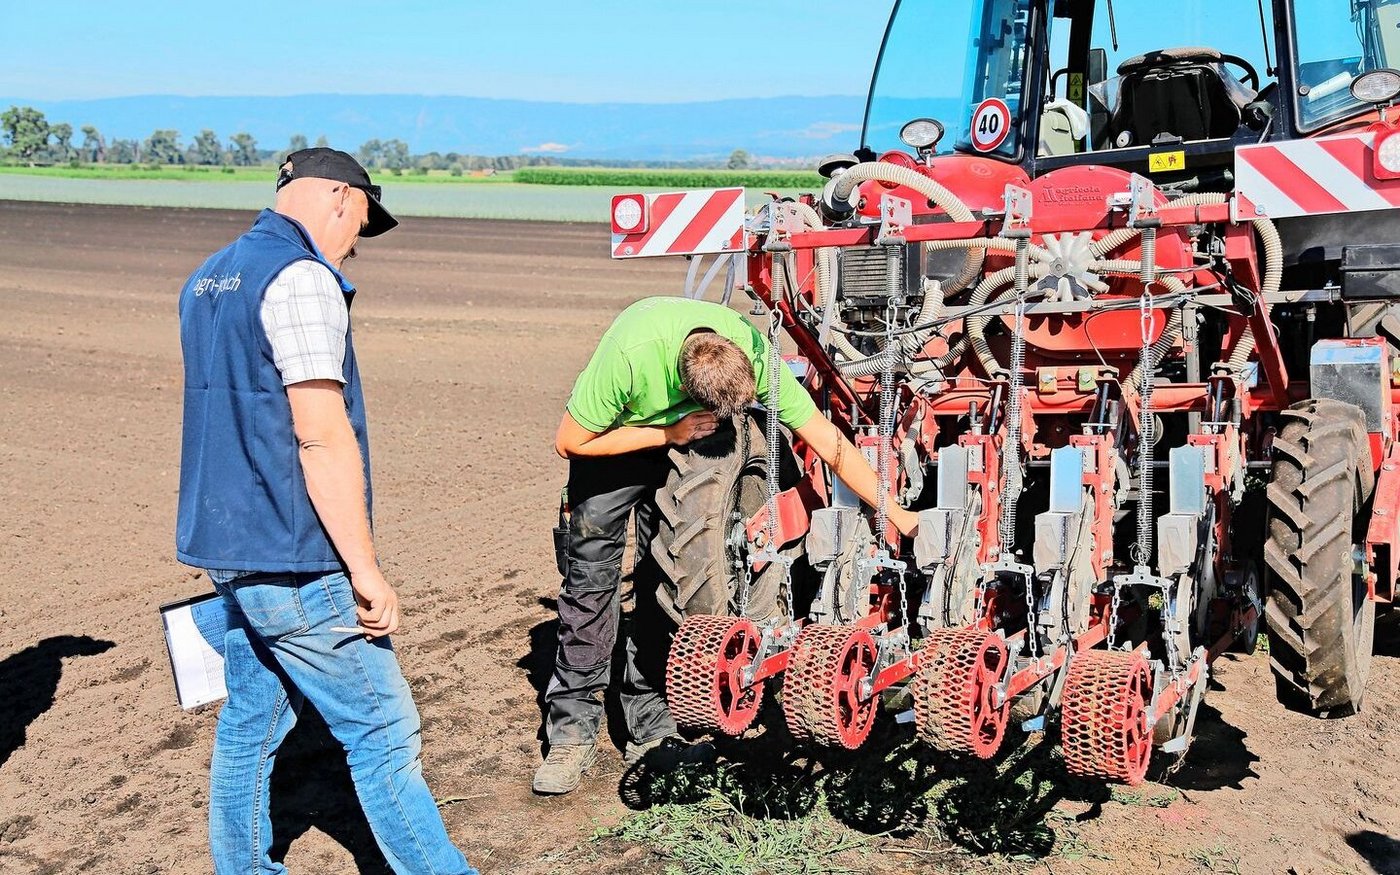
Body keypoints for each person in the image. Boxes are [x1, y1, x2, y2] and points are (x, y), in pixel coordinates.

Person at [176, 147, 477, 875]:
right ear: (342, 198)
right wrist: (366, 570)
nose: (354, 246)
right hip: (296, 556)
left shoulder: (209, 277)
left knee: (252, 721)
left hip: (229, 548)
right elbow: (317, 432)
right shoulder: (302, 278)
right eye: (361, 224)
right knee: (382, 727)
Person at [534, 295, 919, 794]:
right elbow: (569, 440)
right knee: (591, 587)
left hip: (685, 440)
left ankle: (649, 722)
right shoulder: (631, 356)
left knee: (659, 587)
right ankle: (571, 733)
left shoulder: (754, 353)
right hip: (615, 441)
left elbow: (827, 441)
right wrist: (666, 431)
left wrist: (895, 512)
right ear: (686, 389)